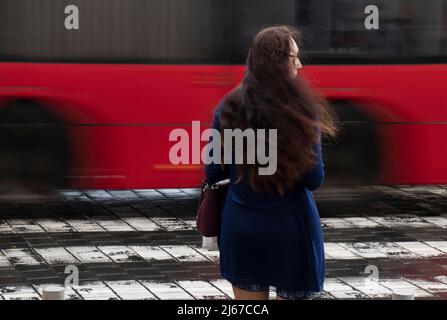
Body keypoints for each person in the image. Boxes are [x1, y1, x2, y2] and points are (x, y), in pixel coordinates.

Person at [205, 25, 338, 300]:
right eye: (294, 58)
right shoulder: (301, 109)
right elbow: (314, 178)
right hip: (290, 230)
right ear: (277, 63)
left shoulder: (228, 105)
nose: (300, 65)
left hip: (241, 228)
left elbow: (213, 170)